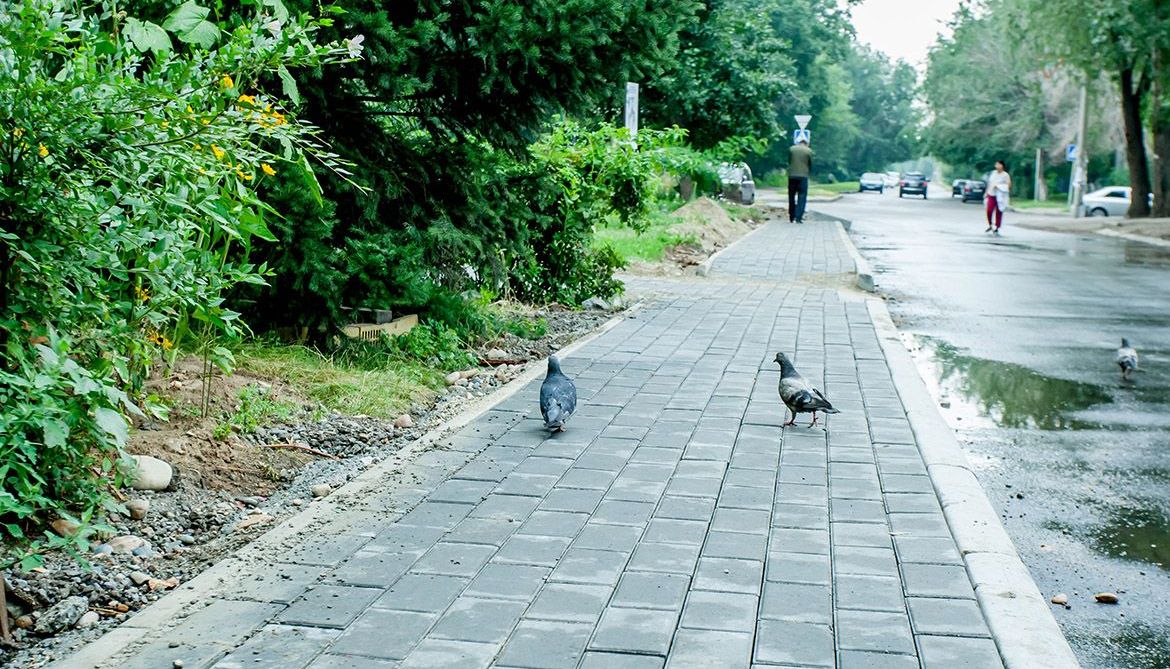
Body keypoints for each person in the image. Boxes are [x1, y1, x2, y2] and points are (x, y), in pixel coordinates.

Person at [787, 139, 813, 223]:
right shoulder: (808, 151)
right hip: (803, 176)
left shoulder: (792, 149)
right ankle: (798, 217)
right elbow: (810, 163)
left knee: (791, 196)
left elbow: (789, 160)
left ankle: (792, 216)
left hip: (792, 175)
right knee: (802, 196)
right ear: (806, 144)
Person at [985, 160, 1011, 234]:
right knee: (989, 210)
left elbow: (1009, 185)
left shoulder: (1005, 175)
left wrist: (999, 186)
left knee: (999, 211)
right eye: (996, 164)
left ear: (1002, 166)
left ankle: (997, 226)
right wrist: (986, 192)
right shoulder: (993, 173)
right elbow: (990, 183)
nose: (996, 166)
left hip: (1000, 195)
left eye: (998, 164)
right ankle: (990, 224)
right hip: (991, 193)